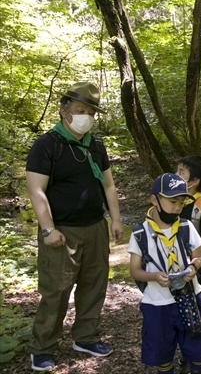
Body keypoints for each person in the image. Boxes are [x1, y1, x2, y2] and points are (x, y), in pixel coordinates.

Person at [26, 82, 123, 371]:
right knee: (56, 290)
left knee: (95, 285)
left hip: (95, 227)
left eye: (91, 112)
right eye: (81, 111)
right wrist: (47, 229)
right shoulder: (47, 145)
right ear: (64, 112)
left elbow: (108, 185)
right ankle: (42, 348)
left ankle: (86, 337)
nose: (86, 117)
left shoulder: (95, 144)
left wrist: (116, 219)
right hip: (61, 231)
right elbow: (36, 191)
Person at [128, 173, 201, 374]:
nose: (177, 207)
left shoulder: (185, 226)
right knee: (161, 351)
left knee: (196, 345)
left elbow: (198, 256)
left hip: (189, 297)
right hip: (157, 304)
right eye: (172, 201)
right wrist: (154, 276)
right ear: (154, 200)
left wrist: (193, 267)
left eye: (181, 202)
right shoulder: (141, 233)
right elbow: (134, 271)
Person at [177, 156, 201, 287]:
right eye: (177, 171)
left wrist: (188, 257)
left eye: (181, 172)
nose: (176, 175)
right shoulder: (172, 202)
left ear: (194, 181)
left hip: (194, 266)